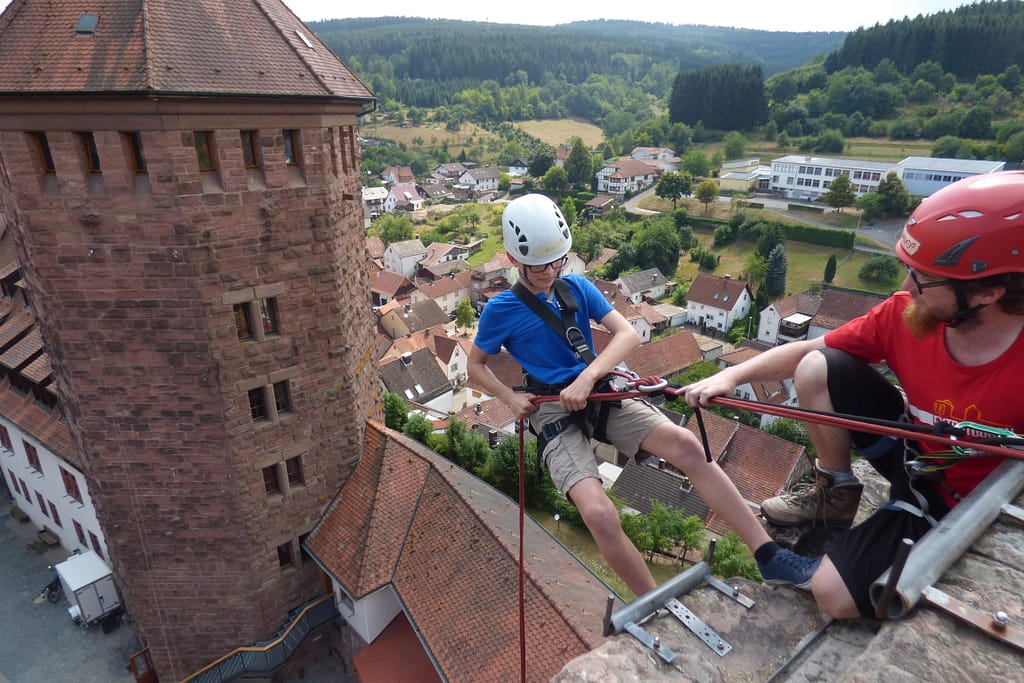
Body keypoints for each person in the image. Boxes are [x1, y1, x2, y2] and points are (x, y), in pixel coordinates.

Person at [683, 171, 1024, 619]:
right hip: (912, 457)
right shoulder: (905, 316)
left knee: (832, 596)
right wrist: (733, 376)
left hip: (955, 500)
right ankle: (836, 491)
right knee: (818, 368)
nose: (906, 288)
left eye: (923, 279)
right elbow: (810, 351)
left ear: (987, 291)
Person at [468, 193, 811, 598]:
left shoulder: (576, 287)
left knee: (686, 445)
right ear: (514, 261)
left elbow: (627, 333)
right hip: (550, 408)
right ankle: (655, 602)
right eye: (539, 264)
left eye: (557, 260)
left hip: (596, 390)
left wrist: (588, 376)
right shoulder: (501, 310)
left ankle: (769, 554)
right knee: (598, 512)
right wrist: (509, 398)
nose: (549, 270)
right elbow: (475, 366)